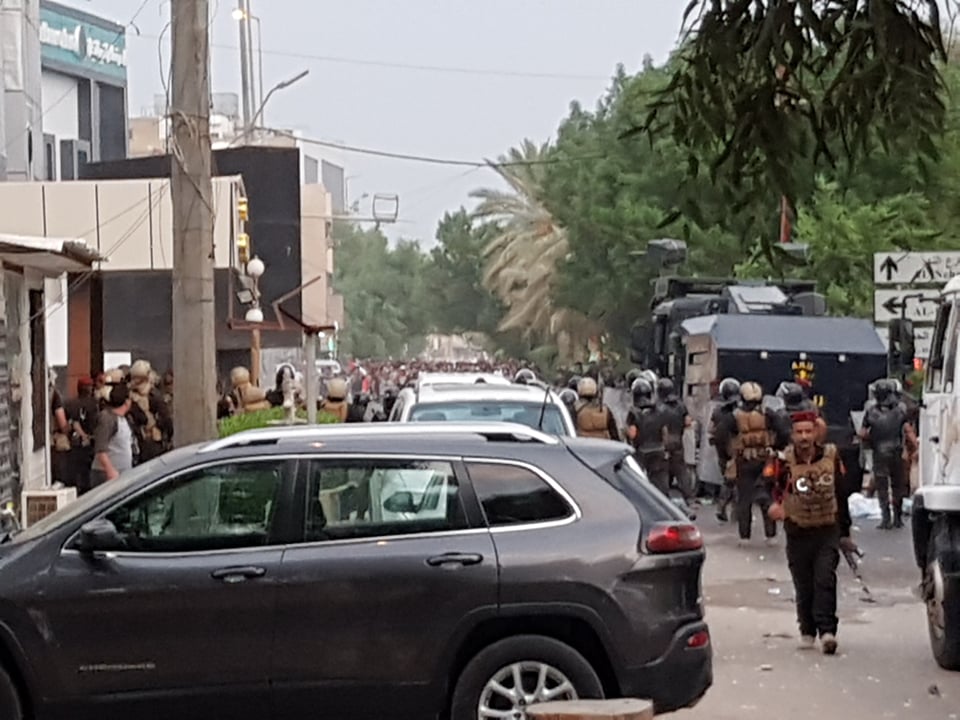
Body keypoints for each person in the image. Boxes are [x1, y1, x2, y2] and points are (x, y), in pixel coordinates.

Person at [768, 409, 856, 655]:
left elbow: (841, 494)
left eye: (808, 431)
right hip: (797, 531)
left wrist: (845, 532)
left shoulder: (831, 456)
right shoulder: (782, 461)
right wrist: (772, 506)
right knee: (804, 584)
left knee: (825, 579)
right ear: (792, 435)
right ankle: (807, 630)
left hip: (827, 529)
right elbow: (764, 488)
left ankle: (827, 632)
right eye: (800, 432)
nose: (804, 437)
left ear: (816, 432)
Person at [716, 381, 787, 545]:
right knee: (767, 496)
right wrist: (775, 449)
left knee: (744, 498)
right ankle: (770, 535)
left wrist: (726, 457)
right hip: (766, 461)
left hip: (744, 462)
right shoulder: (768, 414)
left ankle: (745, 537)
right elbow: (784, 432)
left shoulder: (733, 417)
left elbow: (720, 436)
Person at [860, 379, 917, 529]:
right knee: (898, 485)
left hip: (879, 452)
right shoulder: (901, 410)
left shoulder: (870, 412)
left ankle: (886, 518)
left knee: (882, 486)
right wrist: (914, 448)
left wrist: (869, 441)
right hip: (897, 451)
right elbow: (908, 431)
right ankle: (897, 518)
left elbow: (863, 433)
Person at [626, 378, 669, 496]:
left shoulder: (633, 412)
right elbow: (665, 432)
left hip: (641, 451)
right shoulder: (659, 411)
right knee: (659, 483)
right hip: (658, 449)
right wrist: (664, 448)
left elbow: (632, 434)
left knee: (639, 481)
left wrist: (625, 432)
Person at [657, 378, 696, 503]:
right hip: (678, 440)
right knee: (681, 471)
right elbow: (688, 422)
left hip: (664, 442)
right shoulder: (681, 405)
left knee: (663, 472)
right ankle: (689, 497)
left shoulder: (658, 407)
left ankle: (663, 498)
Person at [90, 384, 134, 489]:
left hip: (122, 472)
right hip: (107, 474)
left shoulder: (124, 419)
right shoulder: (107, 418)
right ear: (127, 401)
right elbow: (100, 448)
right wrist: (110, 470)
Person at [710, 377, 741, 523]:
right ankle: (733, 511)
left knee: (728, 479)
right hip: (736, 449)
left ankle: (723, 508)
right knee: (737, 481)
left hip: (721, 450)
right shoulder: (739, 411)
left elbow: (711, 430)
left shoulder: (717, 411)